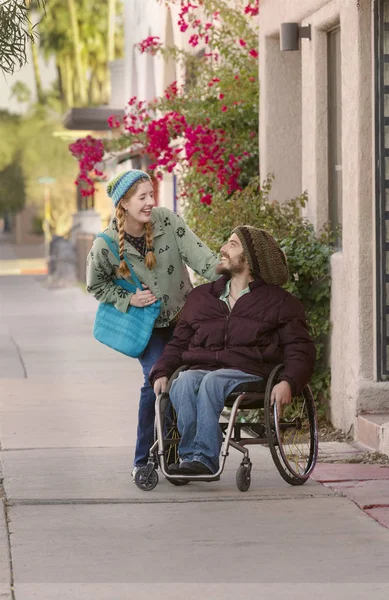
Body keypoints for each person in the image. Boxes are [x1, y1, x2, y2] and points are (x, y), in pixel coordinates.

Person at [150, 226, 316, 476]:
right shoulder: (200, 297)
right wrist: (162, 371)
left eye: (232, 245)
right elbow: (179, 343)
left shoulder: (279, 302)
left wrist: (289, 383)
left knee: (211, 382)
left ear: (249, 258)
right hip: (204, 368)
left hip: (251, 371)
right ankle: (191, 457)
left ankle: (205, 458)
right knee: (183, 381)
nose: (223, 249)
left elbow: (300, 349)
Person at [86, 169, 219, 481]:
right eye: (142, 197)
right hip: (149, 328)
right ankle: (142, 459)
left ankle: (178, 455)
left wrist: (228, 270)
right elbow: (95, 286)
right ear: (124, 204)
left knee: (188, 379)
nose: (150, 202)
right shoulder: (105, 245)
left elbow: (198, 254)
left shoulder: (166, 220)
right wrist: (128, 299)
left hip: (184, 319)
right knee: (156, 381)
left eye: (151, 194)